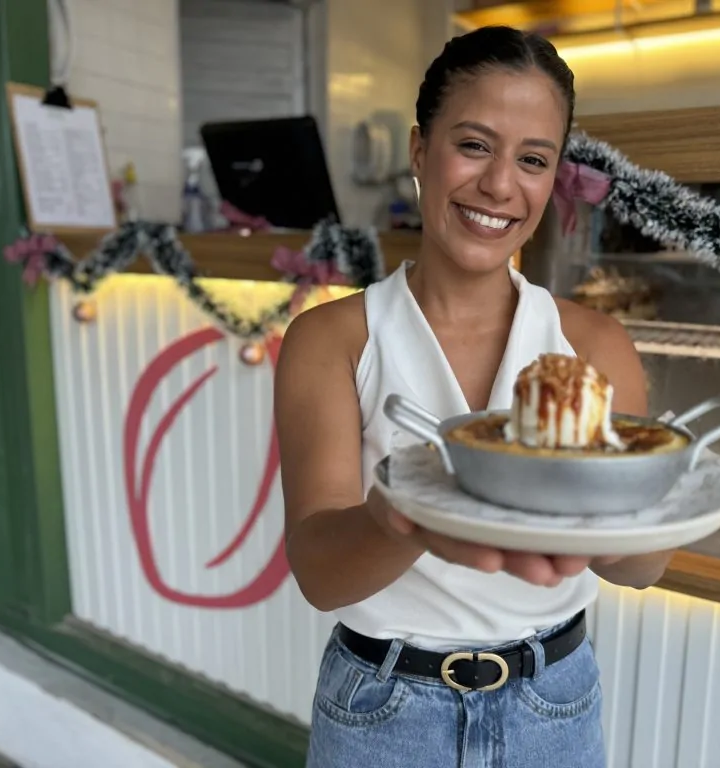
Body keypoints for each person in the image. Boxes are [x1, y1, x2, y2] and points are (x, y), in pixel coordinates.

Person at [275, 25, 674, 768]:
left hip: (552, 705)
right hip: (381, 709)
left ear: (555, 178)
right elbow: (320, 576)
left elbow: (645, 566)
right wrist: (406, 516)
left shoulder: (592, 346)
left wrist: (610, 522)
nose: (499, 185)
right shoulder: (332, 340)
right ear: (420, 149)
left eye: (533, 160)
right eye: (474, 144)